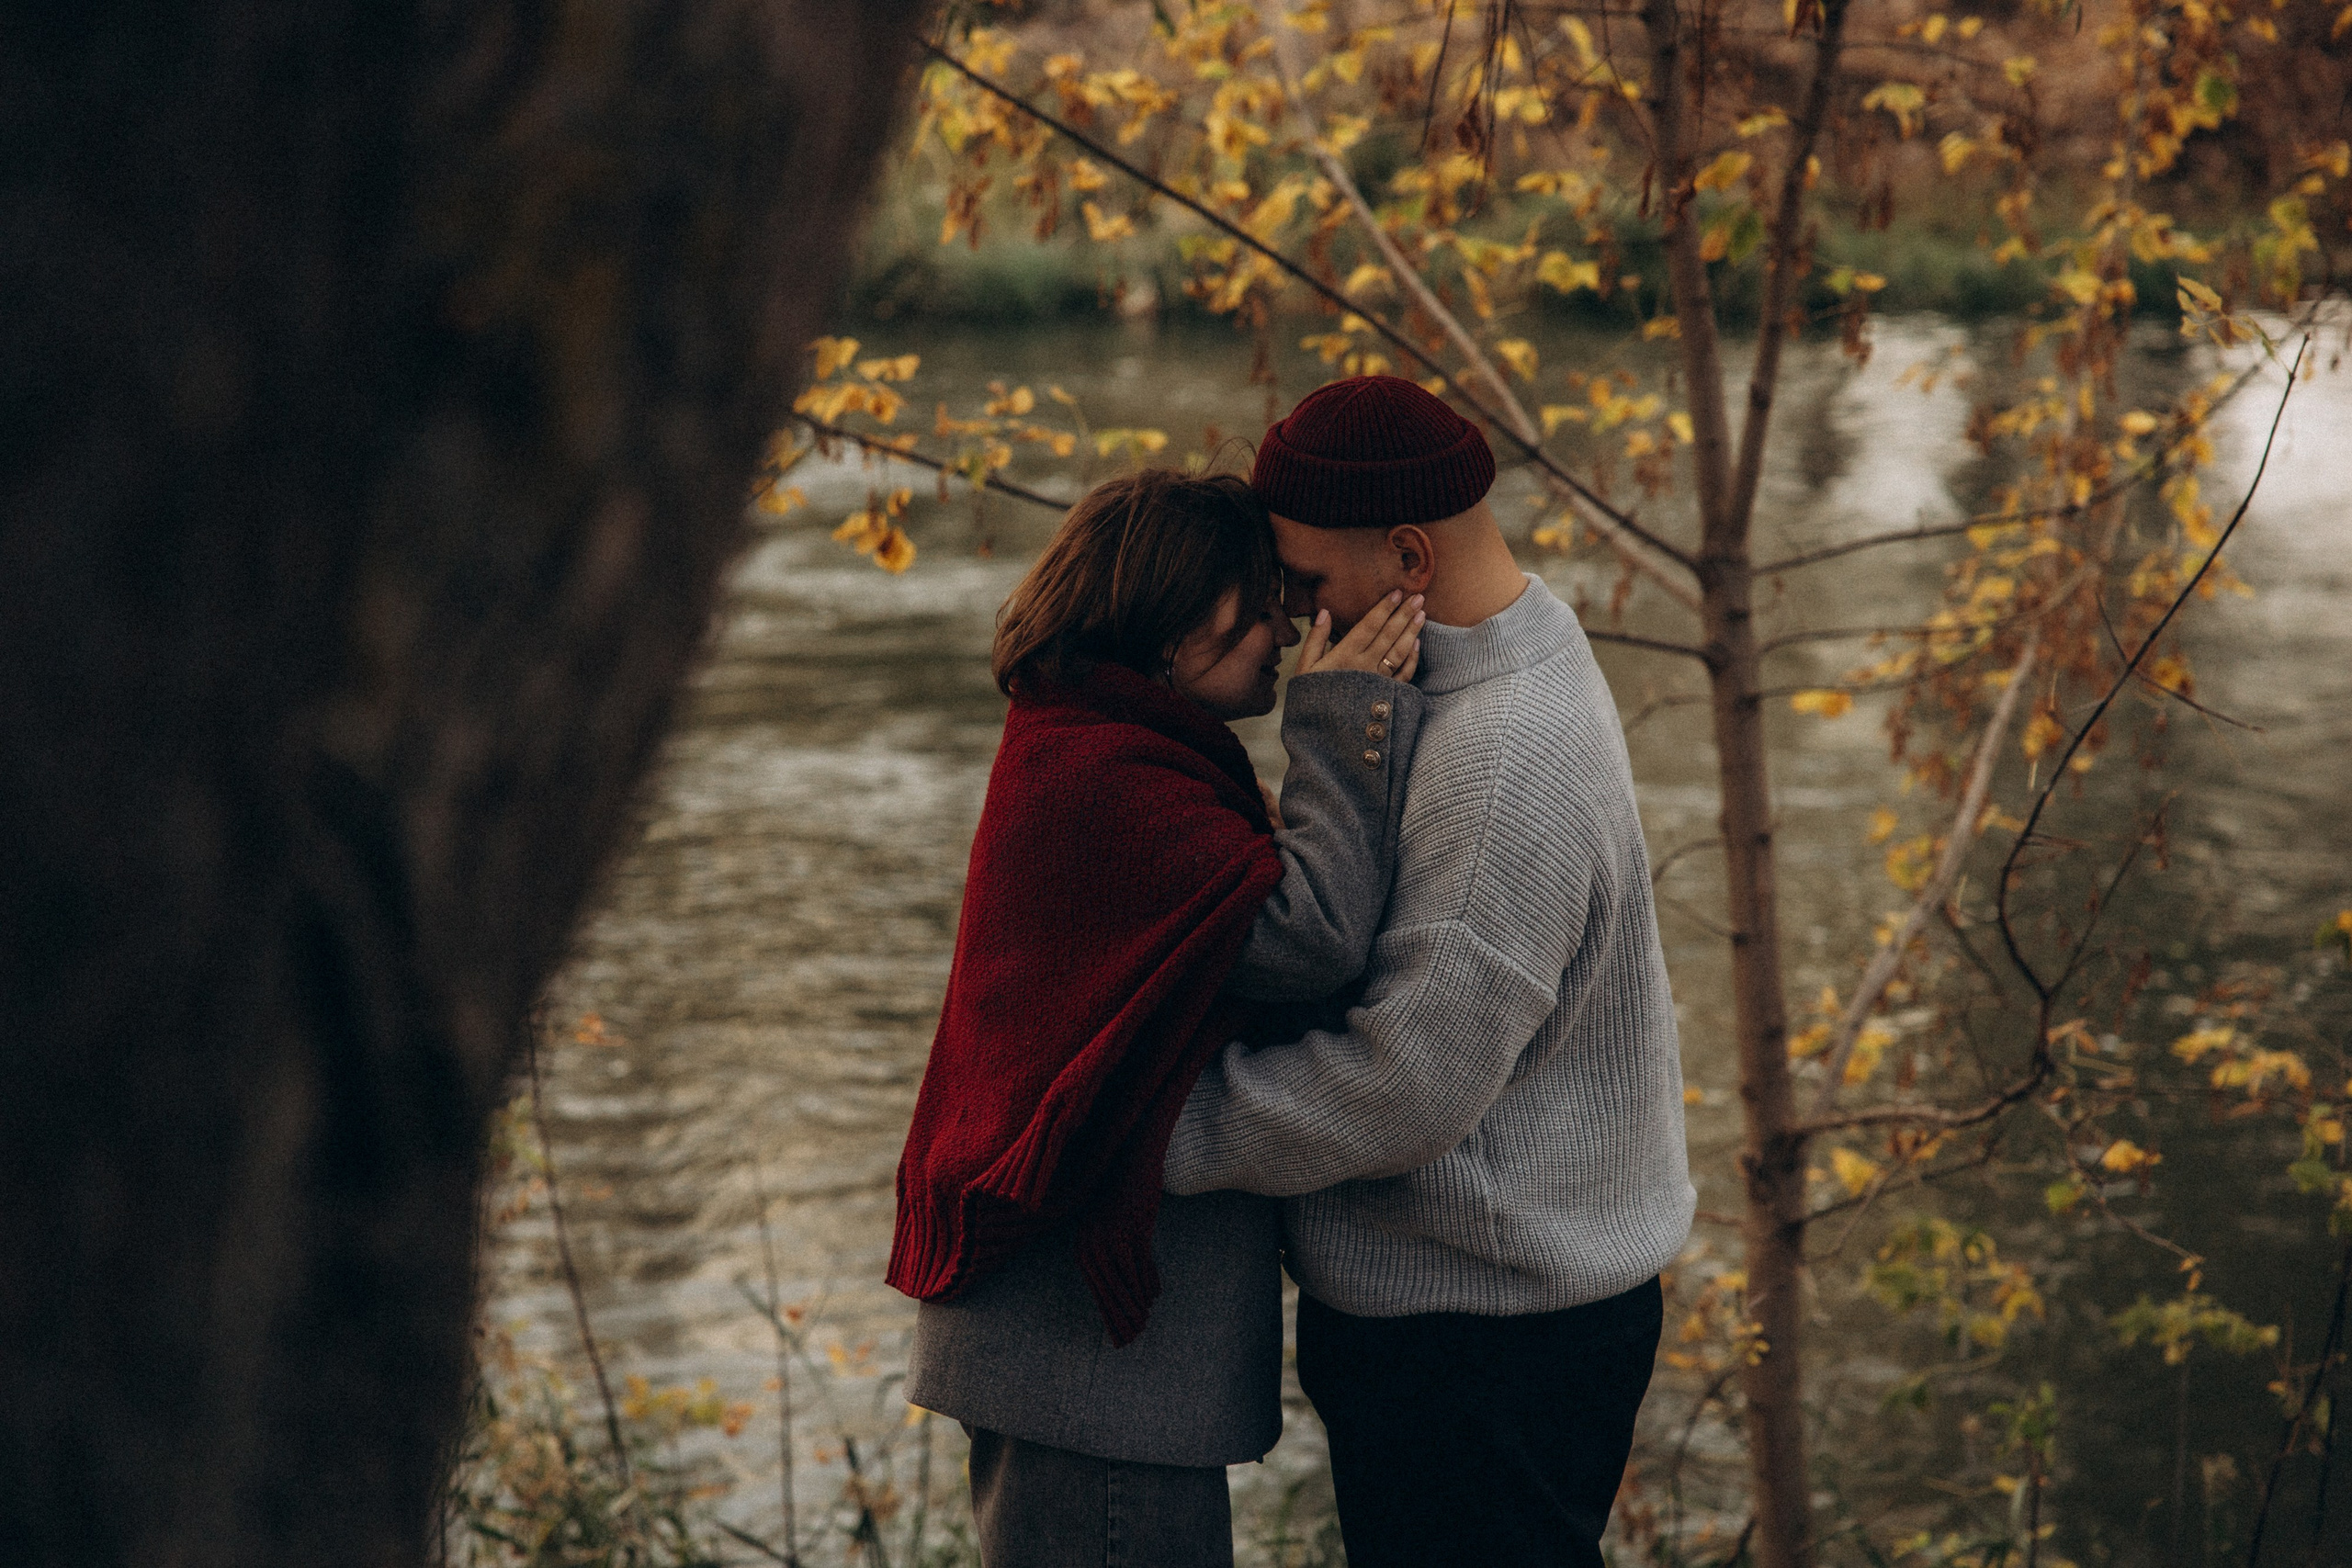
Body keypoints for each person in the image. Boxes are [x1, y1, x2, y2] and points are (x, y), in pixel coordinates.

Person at [1162, 376, 1696, 1568]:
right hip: (1490, 1307)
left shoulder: (1503, 752)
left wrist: (1155, 1130)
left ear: (1409, 553)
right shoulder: (1510, 647)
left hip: (1486, 1333)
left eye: (1307, 583)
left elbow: (1407, 1082)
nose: (1294, 618)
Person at [888, 469, 1429, 1567]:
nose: (1286, 626)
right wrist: (1340, 722)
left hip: (1077, 1353)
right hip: (1079, 1366)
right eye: (1258, 599)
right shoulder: (1103, 774)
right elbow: (1305, 938)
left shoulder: (1106, 744)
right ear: (1178, 619)